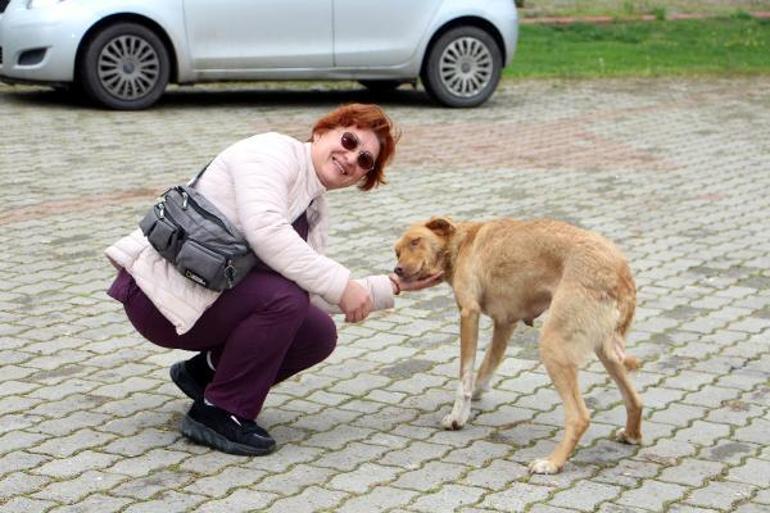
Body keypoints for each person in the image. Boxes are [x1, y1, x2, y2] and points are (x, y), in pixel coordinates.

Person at [105, 103, 441, 456]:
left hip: (204, 297)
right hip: (157, 299)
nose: (351, 158)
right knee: (283, 299)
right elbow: (267, 232)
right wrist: (343, 286)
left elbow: (310, 287)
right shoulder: (270, 152)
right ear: (322, 131)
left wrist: (389, 287)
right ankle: (219, 410)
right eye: (349, 139)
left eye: (364, 161)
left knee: (316, 333)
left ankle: (203, 374)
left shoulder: (314, 208)